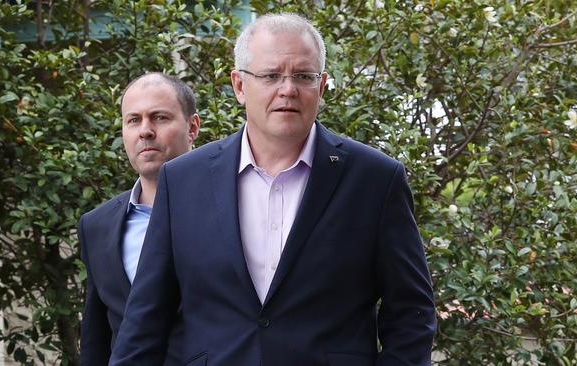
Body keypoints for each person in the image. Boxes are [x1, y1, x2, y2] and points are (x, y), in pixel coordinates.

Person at [110, 13, 436, 366]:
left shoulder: (374, 180)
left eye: (303, 76)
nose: (287, 89)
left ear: (322, 86)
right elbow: (145, 322)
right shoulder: (184, 181)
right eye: (270, 75)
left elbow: (411, 314)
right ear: (239, 85)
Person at [78, 72, 200, 365]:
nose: (145, 131)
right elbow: (97, 338)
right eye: (133, 120)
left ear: (192, 127)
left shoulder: (231, 206)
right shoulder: (97, 226)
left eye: (159, 118)